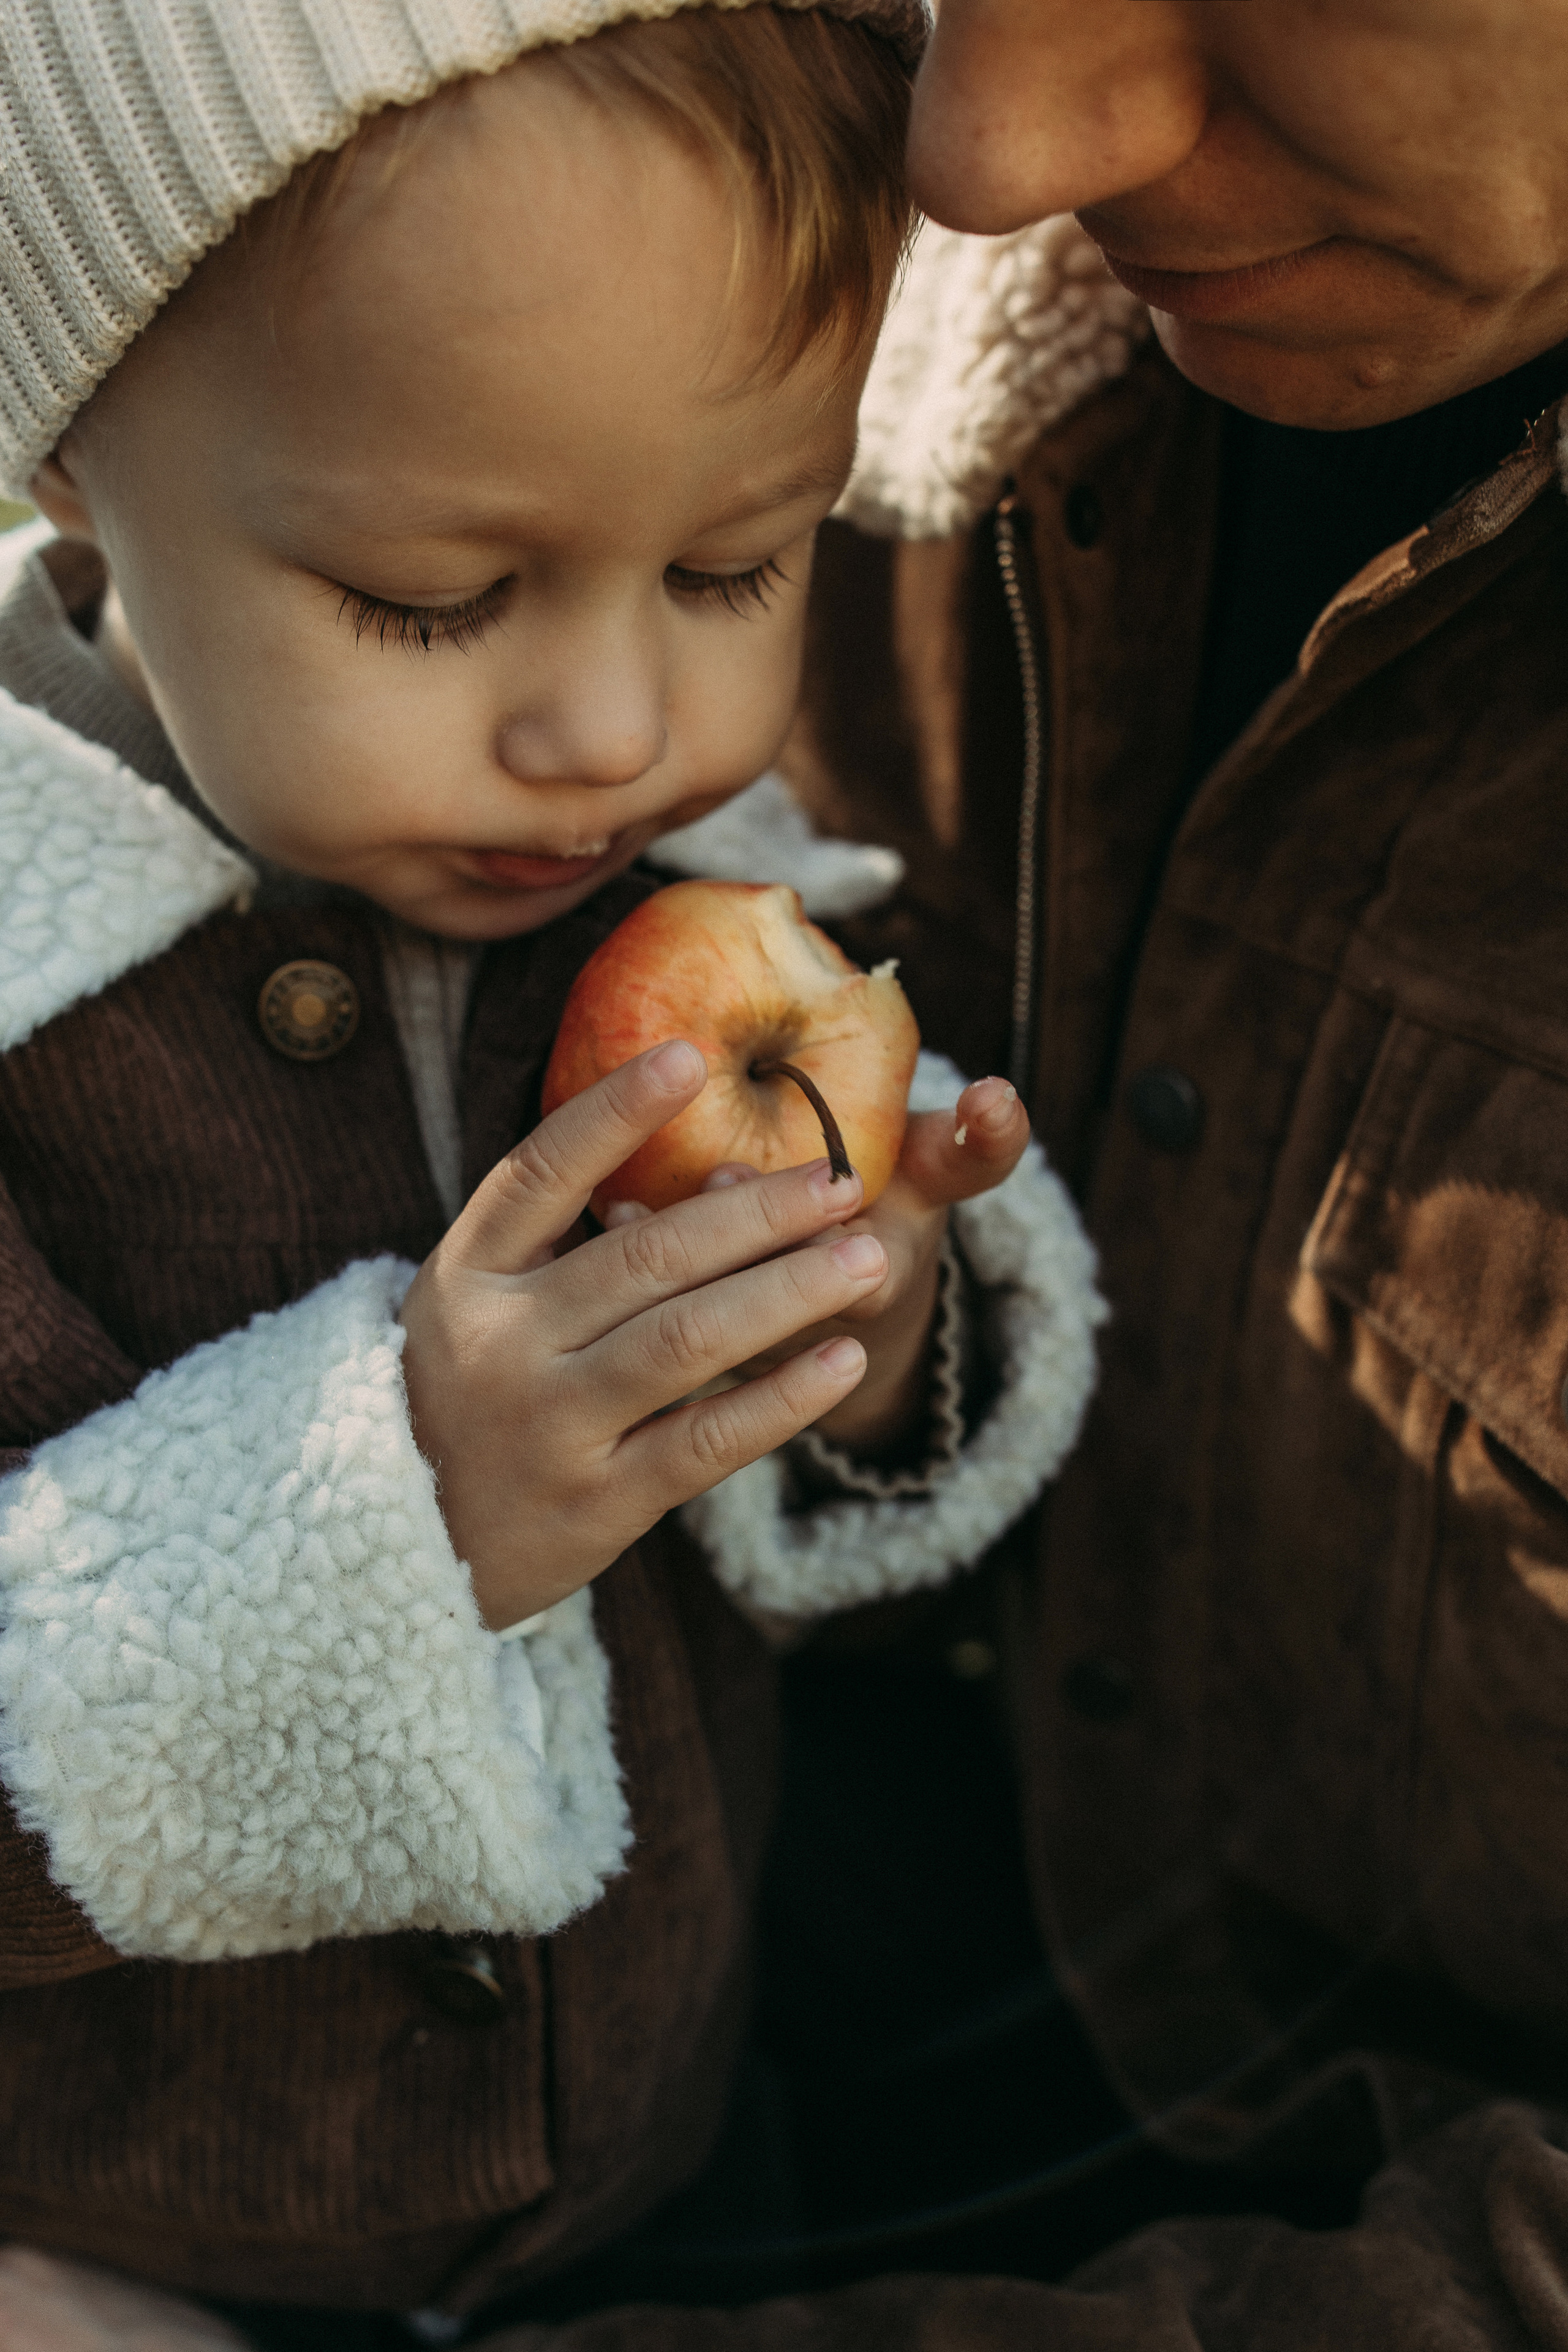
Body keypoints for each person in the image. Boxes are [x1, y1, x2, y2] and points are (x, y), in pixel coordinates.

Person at [0, 3, 1109, 2345]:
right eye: (431, 598)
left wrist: (869, 1349)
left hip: (682, 2197)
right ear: (75, 453)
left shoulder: (715, 903)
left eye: (732, 569)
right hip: (122, 2258)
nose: (616, 732)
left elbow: (875, 1616)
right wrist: (395, 1530)